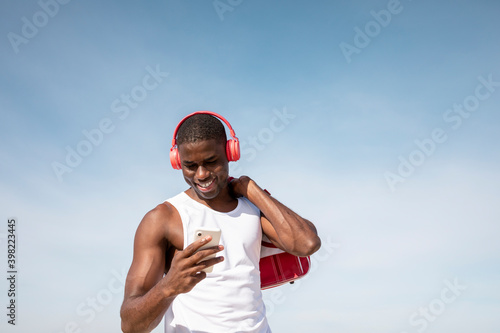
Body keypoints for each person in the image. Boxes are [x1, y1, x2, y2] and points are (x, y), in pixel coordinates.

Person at [120, 112, 321, 333]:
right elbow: (131, 326)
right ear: (177, 161)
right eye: (190, 166)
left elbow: (307, 244)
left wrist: (250, 189)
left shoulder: (251, 207)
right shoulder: (163, 218)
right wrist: (168, 287)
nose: (202, 174)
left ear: (230, 153)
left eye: (211, 162)